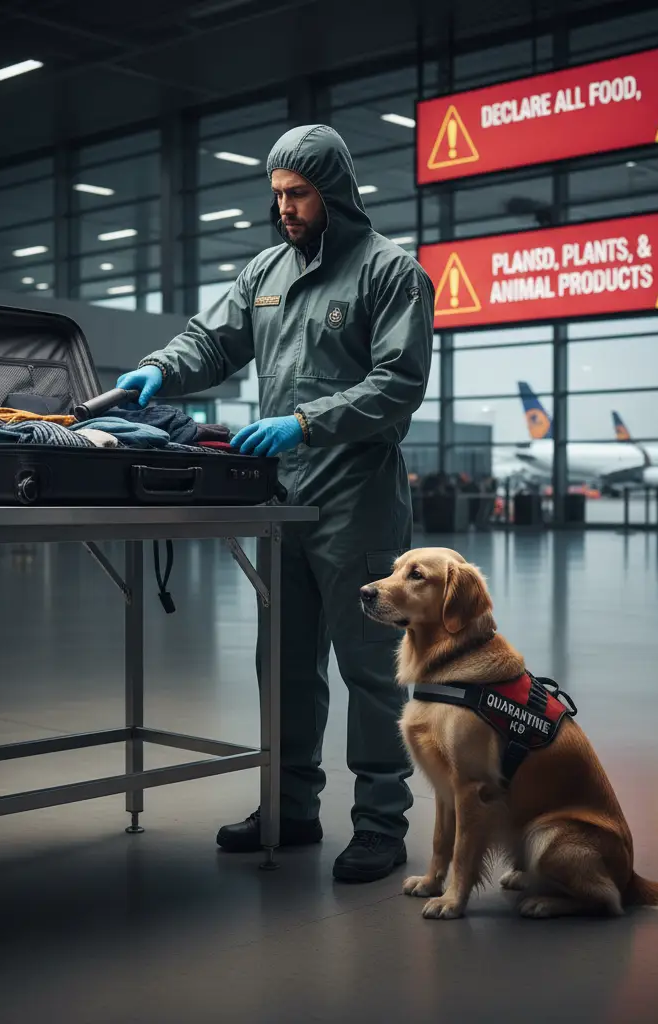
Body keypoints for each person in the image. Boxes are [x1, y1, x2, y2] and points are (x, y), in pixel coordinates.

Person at [119, 124, 434, 882]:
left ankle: (381, 822)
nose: (285, 208)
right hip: (282, 496)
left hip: (357, 501)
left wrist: (305, 421)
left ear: (335, 190)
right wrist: (160, 369)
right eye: (278, 195)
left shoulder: (392, 274)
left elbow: (398, 387)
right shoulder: (266, 269)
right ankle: (291, 808)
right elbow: (213, 339)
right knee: (285, 663)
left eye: (298, 194)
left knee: (369, 668)